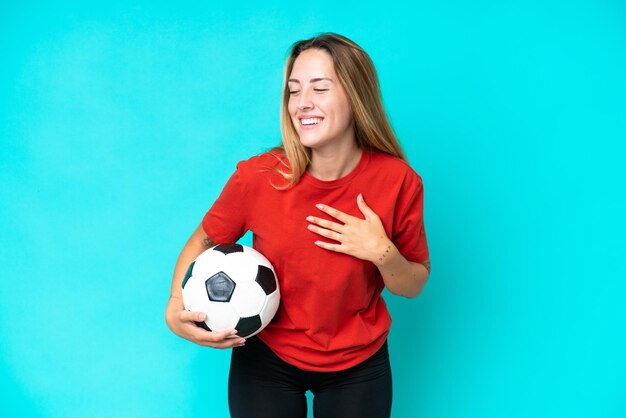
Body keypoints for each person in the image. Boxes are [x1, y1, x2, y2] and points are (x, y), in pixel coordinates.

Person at [165, 33, 431, 418]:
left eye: (319, 88)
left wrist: (381, 252)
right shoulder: (259, 176)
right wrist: (175, 306)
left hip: (358, 362)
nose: (302, 103)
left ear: (356, 96)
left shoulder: (398, 181)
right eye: (293, 90)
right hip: (266, 359)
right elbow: (205, 239)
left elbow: (414, 283)